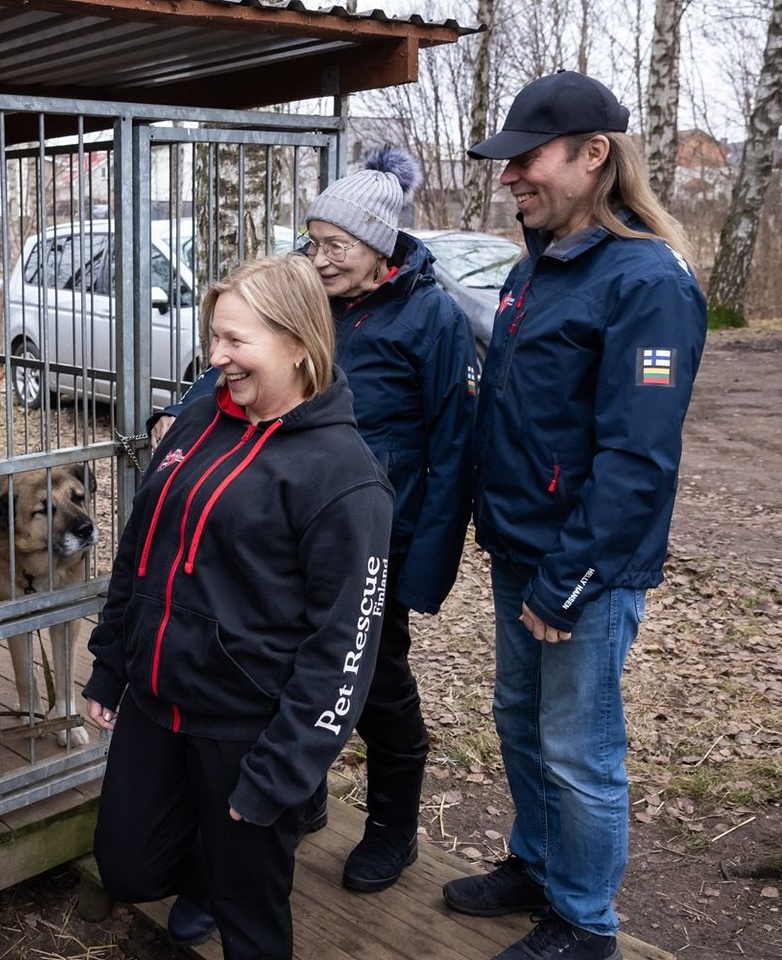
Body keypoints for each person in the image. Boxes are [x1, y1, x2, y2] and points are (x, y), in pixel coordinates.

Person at [152, 146, 476, 896]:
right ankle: (301, 796)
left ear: (380, 246)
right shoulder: (308, 294)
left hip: (375, 538)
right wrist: (186, 409)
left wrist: (424, 566)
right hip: (284, 529)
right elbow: (241, 362)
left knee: (374, 682)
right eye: (314, 239)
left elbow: (454, 451)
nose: (320, 258)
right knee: (282, 671)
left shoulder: (431, 316)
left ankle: (393, 826)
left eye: (338, 245)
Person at [441, 71, 707, 960]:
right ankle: (536, 865)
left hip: (582, 570)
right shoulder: (539, 266)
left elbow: (637, 462)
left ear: (594, 156)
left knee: (579, 750)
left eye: (527, 159)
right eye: (507, 162)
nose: (510, 176)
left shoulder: (644, 282)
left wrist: (570, 581)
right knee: (520, 722)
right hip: (524, 549)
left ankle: (584, 922)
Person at [83, 254, 394, 959]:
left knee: (251, 918)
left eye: (234, 340)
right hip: (159, 703)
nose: (215, 356)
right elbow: (140, 549)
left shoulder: (345, 480)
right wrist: (110, 666)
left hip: (247, 729)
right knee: (127, 865)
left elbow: (344, 650)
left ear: (298, 344)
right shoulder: (198, 424)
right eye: (214, 336)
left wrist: (282, 772)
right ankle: (208, 869)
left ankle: (237, 864)